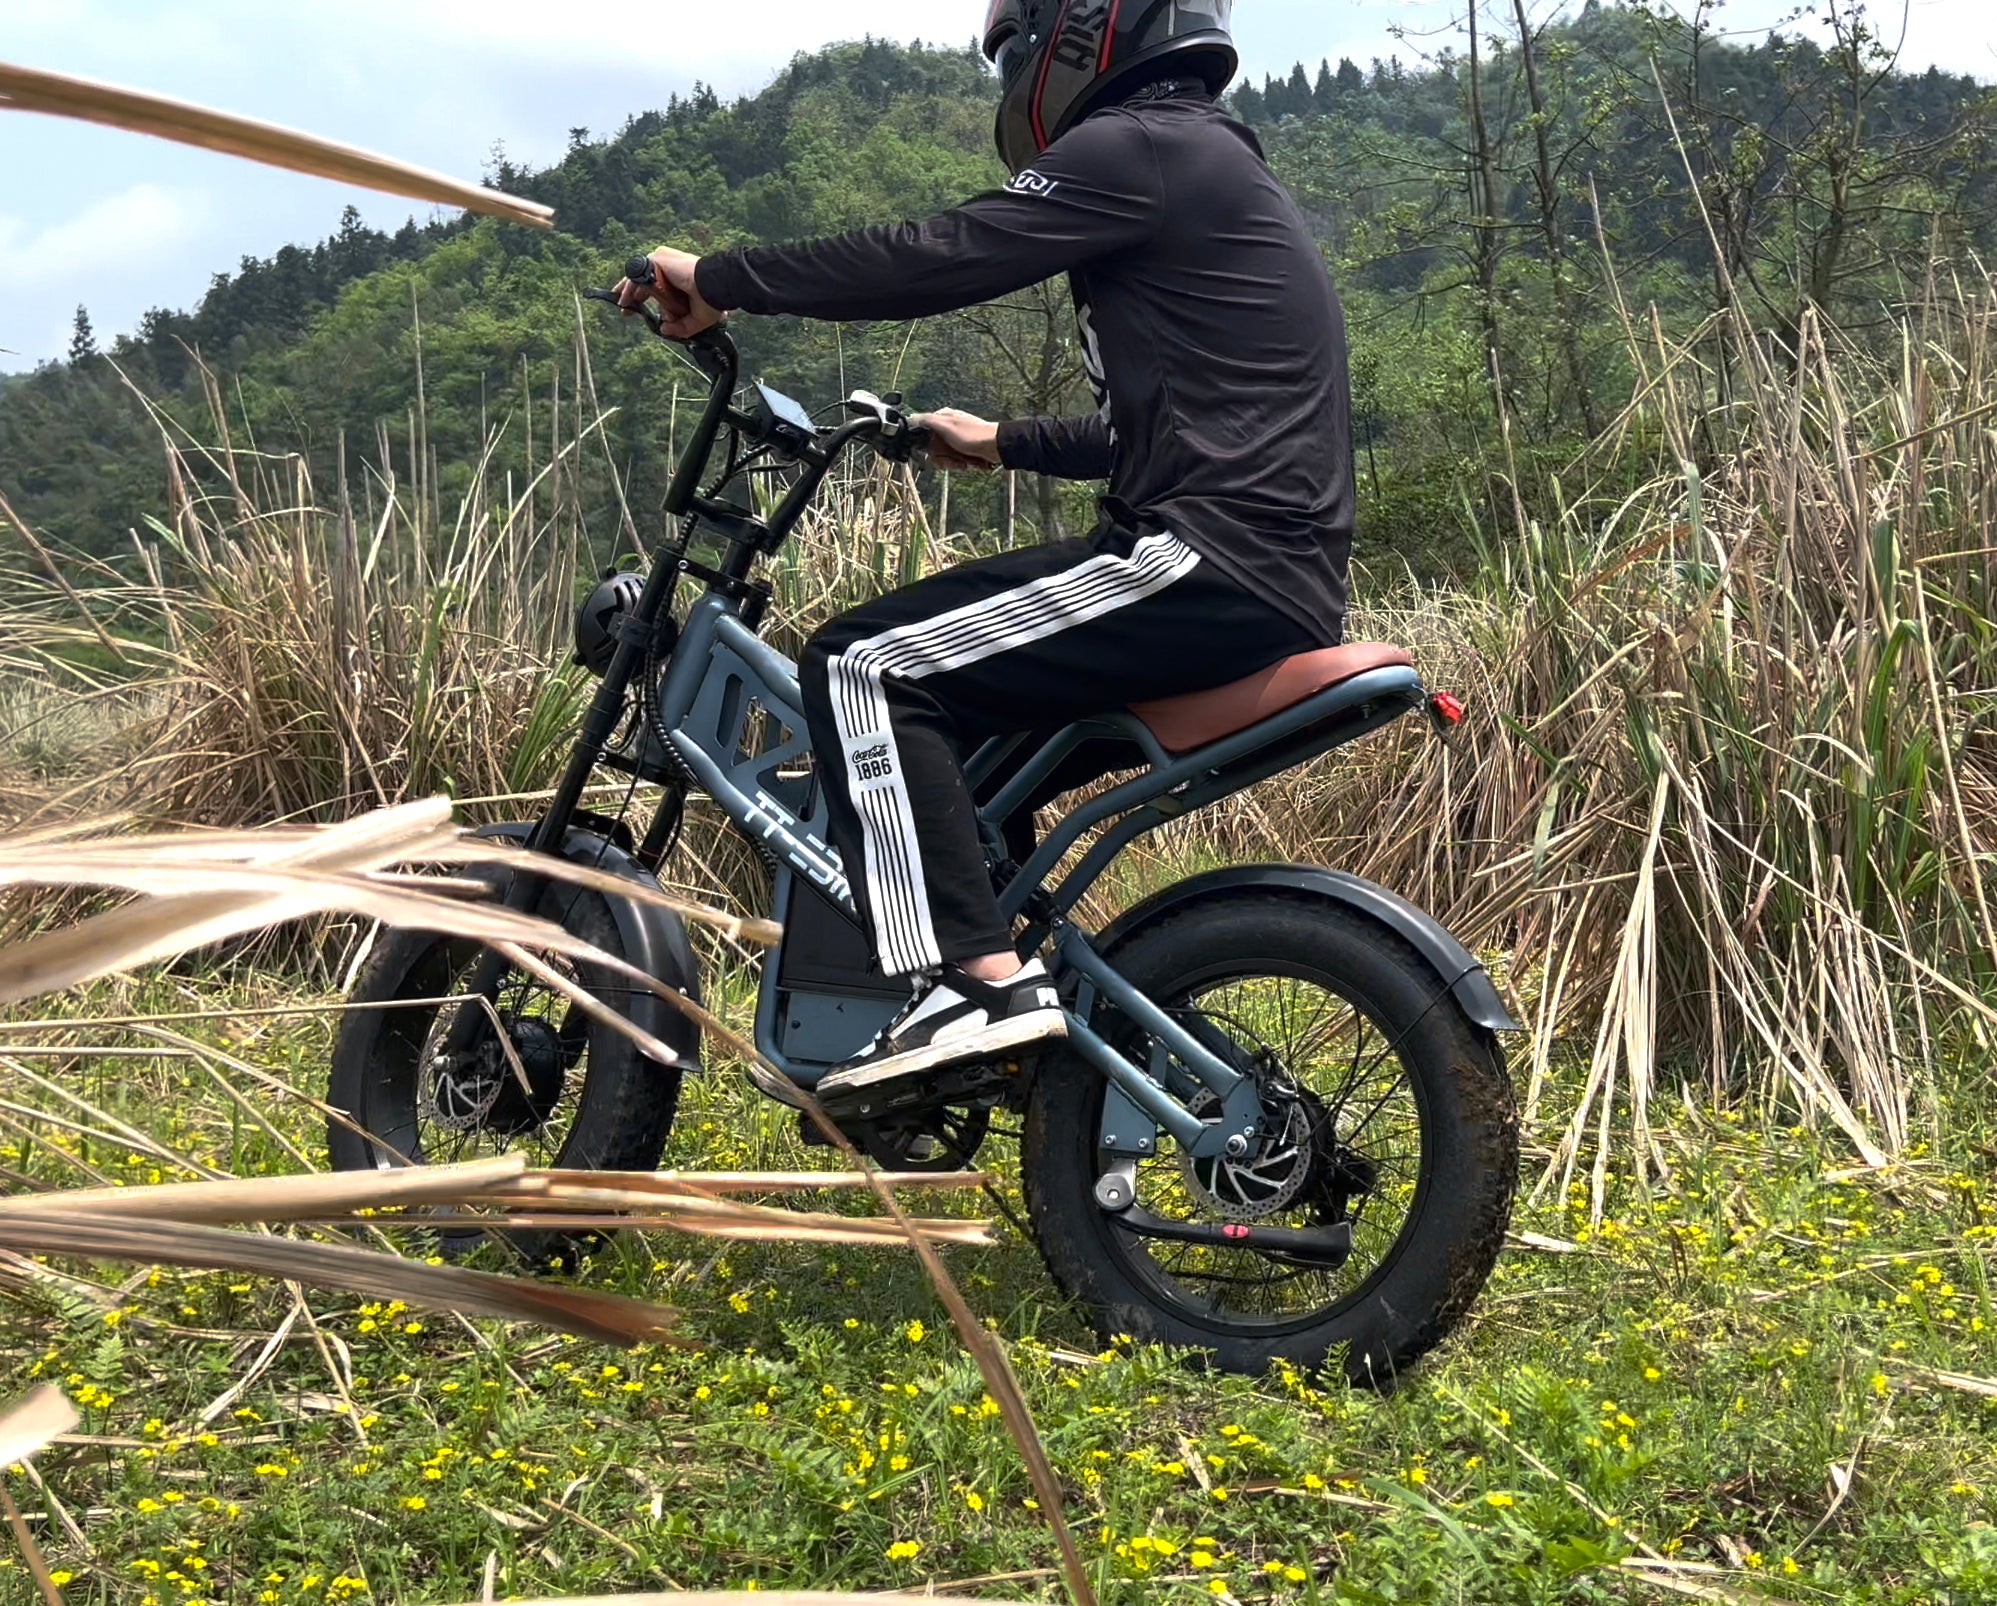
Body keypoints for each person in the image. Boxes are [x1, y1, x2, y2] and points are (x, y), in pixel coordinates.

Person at [619, 0, 1356, 1101]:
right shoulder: (1208, 166)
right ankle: (993, 1029)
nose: (1013, 81)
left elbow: (939, 255)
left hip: (1201, 555)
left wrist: (723, 275)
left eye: (1016, 56)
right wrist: (999, 439)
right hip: (1262, 567)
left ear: (1079, 36)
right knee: (972, 761)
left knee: (865, 663)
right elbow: (1149, 426)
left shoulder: (1139, 144)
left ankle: (971, 985)